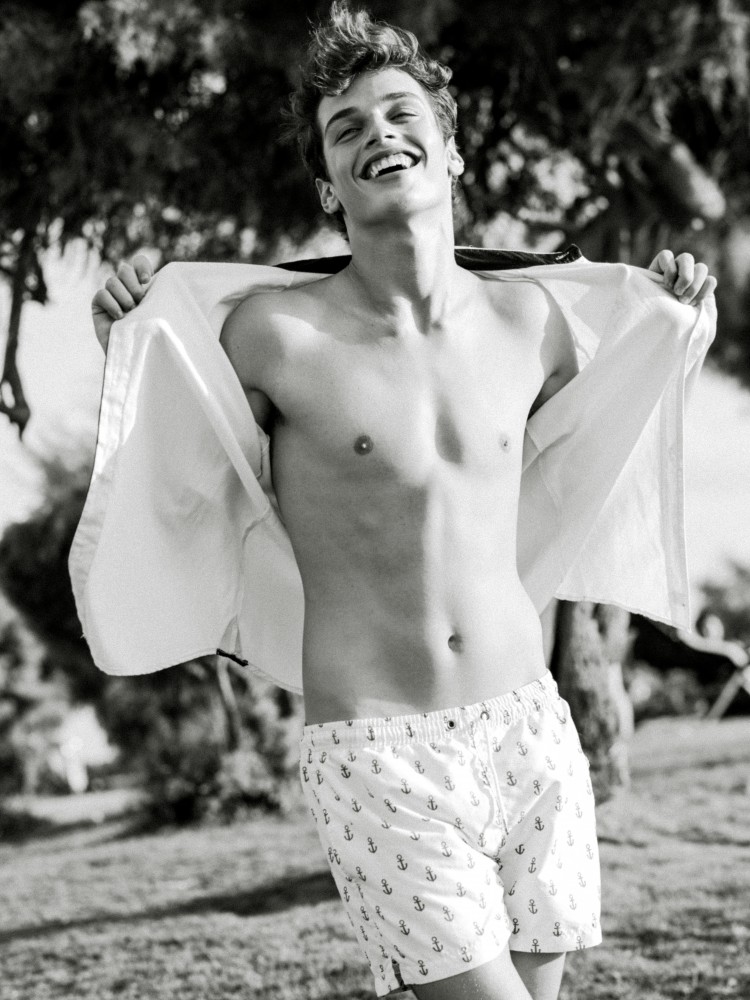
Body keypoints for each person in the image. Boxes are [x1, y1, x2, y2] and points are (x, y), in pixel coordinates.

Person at [83, 4, 717, 999]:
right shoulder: (274, 336)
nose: (376, 133)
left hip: (530, 726)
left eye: (397, 112)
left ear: (451, 151)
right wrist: (127, 340)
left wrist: (674, 320)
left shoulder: (531, 321)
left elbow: (616, 420)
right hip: (381, 750)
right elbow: (172, 453)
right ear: (327, 187)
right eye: (346, 128)